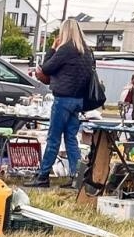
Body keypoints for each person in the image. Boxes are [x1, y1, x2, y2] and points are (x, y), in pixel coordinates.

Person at [31, 18, 95, 188]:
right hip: (78, 101)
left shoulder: (66, 49)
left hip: (63, 99)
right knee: (71, 138)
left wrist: (52, 48)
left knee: (53, 138)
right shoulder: (86, 52)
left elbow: (46, 68)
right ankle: (76, 177)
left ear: (64, 32)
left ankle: (43, 176)